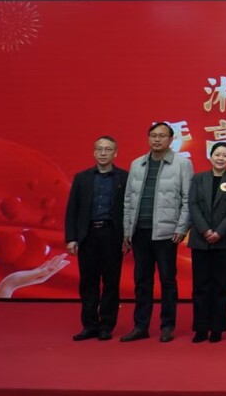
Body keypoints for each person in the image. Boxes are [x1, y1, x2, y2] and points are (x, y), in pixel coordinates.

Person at [121, 122, 193, 343]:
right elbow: (128, 200)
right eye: (153, 135)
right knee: (142, 281)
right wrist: (127, 230)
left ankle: (167, 326)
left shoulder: (182, 164)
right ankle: (140, 326)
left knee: (167, 280)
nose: (157, 139)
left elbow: (188, 199)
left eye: (162, 136)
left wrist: (181, 227)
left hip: (166, 232)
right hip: (139, 231)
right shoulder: (137, 164)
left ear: (171, 139)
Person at [65, 136, 129, 341]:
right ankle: (89, 325)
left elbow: (129, 209)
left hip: (112, 235)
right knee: (88, 282)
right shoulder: (82, 178)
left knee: (111, 282)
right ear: (94, 152)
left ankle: (106, 325)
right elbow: (72, 209)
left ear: (115, 153)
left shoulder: (124, 177)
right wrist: (71, 238)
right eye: (99, 149)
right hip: (88, 235)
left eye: (108, 149)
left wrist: (127, 236)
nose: (103, 153)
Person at [186, 142, 226, 343]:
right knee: (200, 285)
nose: (221, 158)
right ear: (210, 156)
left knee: (221, 285)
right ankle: (201, 328)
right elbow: (192, 204)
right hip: (200, 239)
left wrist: (219, 231)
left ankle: (217, 328)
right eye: (217, 154)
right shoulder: (198, 178)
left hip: (224, 240)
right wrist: (205, 230)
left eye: (225, 155)